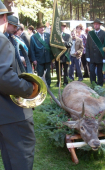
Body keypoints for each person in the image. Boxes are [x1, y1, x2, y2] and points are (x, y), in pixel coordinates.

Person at [0, 1, 36, 169]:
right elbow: (4, 78)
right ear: (4, 18)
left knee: (9, 157)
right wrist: (29, 89)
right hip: (12, 113)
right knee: (21, 158)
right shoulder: (1, 40)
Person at [30, 23, 53, 88]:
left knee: (48, 73)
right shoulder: (33, 37)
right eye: (40, 27)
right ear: (37, 29)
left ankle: (48, 85)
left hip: (47, 58)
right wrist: (34, 59)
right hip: (39, 59)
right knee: (40, 73)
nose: (42, 29)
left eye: (43, 27)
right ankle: (41, 85)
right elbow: (32, 49)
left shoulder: (48, 35)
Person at [86, 18, 105, 86]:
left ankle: (100, 84)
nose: (96, 25)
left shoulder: (104, 33)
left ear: (100, 25)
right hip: (92, 56)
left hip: (100, 56)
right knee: (92, 71)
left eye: (97, 24)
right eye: (95, 24)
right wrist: (87, 56)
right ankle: (93, 84)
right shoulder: (90, 33)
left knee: (99, 72)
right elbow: (87, 45)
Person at [55, 22, 72, 87]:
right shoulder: (55, 36)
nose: (62, 27)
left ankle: (65, 82)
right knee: (58, 70)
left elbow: (70, 44)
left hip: (65, 55)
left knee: (66, 70)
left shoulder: (67, 35)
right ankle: (58, 82)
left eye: (64, 26)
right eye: (61, 26)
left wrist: (64, 42)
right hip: (58, 55)